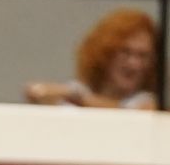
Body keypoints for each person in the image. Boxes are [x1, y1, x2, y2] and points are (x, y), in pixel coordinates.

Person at [24, 8, 158, 109]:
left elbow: (129, 114)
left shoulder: (146, 102)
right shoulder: (79, 90)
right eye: (125, 52)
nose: (134, 64)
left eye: (143, 56)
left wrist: (77, 98)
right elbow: (36, 92)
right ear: (104, 53)